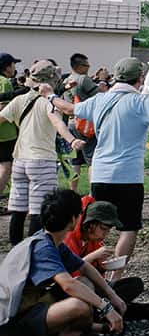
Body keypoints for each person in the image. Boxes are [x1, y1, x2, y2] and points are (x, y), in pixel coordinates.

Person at [49, 56, 149, 267]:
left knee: (96, 225)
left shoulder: (100, 99)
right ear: (140, 78)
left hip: (100, 174)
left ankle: (90, 269)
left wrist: (50, 96)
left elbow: (69, 109)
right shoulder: (139, 102)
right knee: (129, 228)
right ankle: (116, 276)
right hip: (128, 176)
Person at [0, 189, 126, 336]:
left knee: (85, 282)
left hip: (31, 304)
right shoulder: (43, 247)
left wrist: (111, 294)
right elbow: (68, 284)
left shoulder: (51, 240)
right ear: (73, 219)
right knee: (78, 306)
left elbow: (84, 267)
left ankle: (84, 330)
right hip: (9, 323)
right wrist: (106, 307)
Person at [7, 62, 86, 242]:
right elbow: (58, 123)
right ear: (49, 81)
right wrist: (72, 140)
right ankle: (33, 252)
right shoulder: (47, 103)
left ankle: (15, 253)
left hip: (19, 160)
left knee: (18, 212)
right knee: (38, 212)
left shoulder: (19, 100)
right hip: (41, 161)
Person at [62, 196, 149, 319]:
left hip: (96, 288)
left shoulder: (94, 241)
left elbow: (97, 275)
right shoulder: (69, 238)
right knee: (92, 287)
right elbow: (68, 274)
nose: (105, 234)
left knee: (135, 284)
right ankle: (113, 310)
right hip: (76, 289)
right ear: (91, 224)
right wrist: (93, 256)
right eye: (103, 229)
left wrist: (103, 267)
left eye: (108, 230)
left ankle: (111, 309)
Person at [64, 52, 99, 192]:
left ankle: (73, 191)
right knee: (92, 160)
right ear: (79, 66)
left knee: (75, 161)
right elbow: (99, 96)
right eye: (87, 65)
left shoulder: (66, 80)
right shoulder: (84, 79)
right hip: (86, 125)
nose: (89, 67)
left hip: (71, 124)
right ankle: (93, 192)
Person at [0, 52, 24, 200]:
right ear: (7, 67)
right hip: (6, 133)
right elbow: (4, 106)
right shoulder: (4, 82)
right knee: (6, 166)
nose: (14, 66)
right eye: (13, 64)